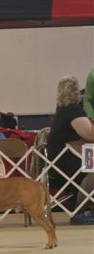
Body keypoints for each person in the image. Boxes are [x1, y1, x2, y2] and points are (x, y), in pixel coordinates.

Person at [47, 76, 94, 219]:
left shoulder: (61, 111)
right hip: (66, 160)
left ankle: (80, 204)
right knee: (92, 171)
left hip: (57, 160)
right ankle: (80, 211)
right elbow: (90, 135)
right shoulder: (73, 111)